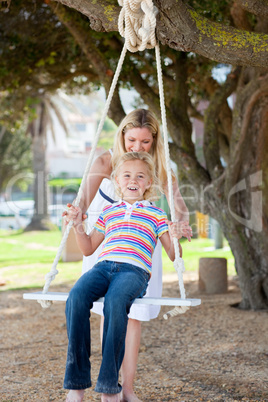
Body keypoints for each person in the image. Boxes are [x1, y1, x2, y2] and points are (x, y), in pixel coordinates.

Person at [63, 109, 192, 402]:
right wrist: (75, 216)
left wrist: (178, 225)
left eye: (145, 142)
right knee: (99, 307)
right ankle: (84, 386)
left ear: (154, 141)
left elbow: (179, 206)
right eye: (132, 139)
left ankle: (125, 388)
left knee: (130, 312)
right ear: (122, 135)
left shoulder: (160, 169)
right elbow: (82, 201)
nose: (137, 147)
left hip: (142, 243)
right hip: (107, 234)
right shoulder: (106, 161)